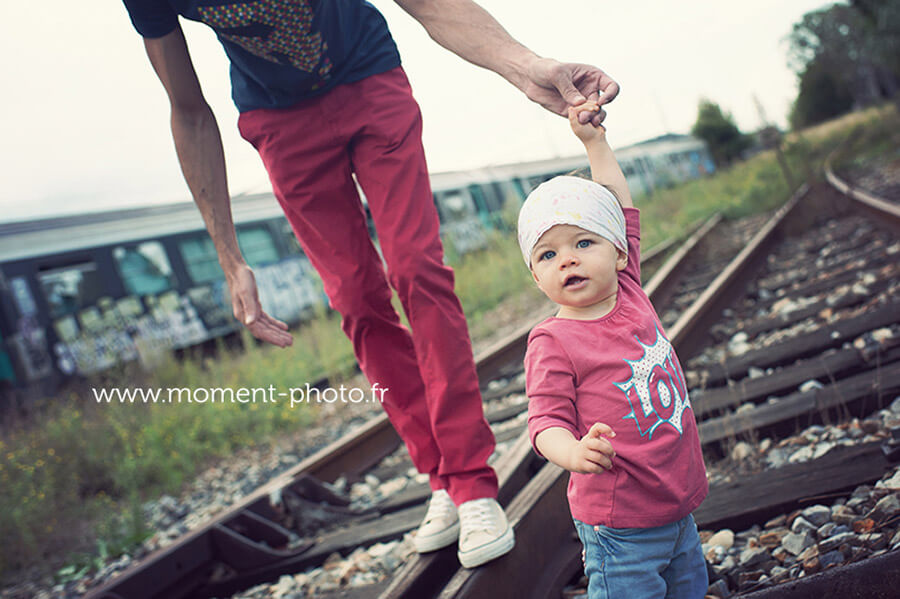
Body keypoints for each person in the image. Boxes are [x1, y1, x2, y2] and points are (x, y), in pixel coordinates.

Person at [120, 0, 619, 569]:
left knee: (416, 271)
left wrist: (525, 66)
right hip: (280, 123)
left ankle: (473, 486)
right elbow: (187, 109)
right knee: (355, 299)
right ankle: (441, 479)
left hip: (369, 79)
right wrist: (229, 258)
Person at [519, 102, 709, 597]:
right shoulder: (553, 342)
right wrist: (574, 452)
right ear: (536, 276)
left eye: (584, 243)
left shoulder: (629, 289)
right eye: (548, 253)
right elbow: (544, 423)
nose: (567, 260)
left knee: (689, 586)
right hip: (620, 524)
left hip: (676, 501)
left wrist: (595, 144)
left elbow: (617, 202)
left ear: (620, 251)